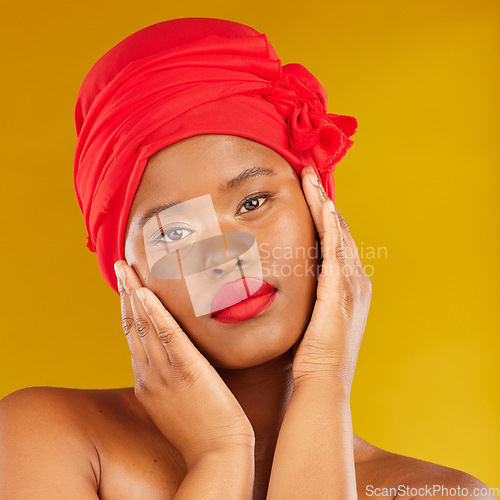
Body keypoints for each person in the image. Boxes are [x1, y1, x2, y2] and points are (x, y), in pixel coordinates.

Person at [0, 17, 495, 500]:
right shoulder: (44, 439)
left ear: (318, 207)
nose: (224, 256)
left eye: (253, 203)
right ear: (126, 272)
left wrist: (325, 378)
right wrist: (221, 456)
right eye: (174, 232)